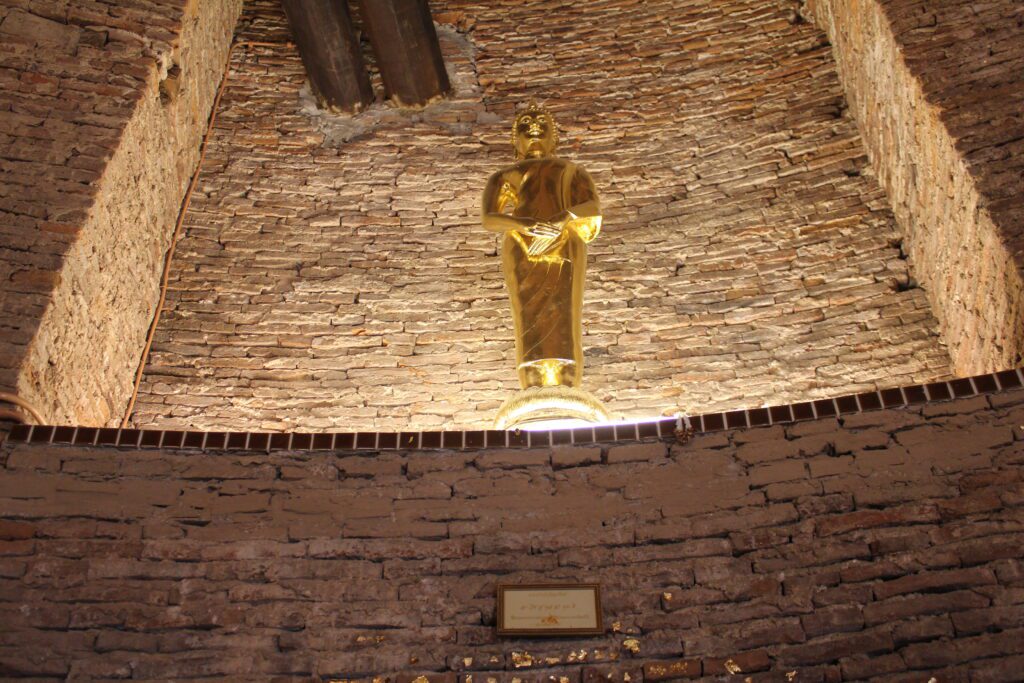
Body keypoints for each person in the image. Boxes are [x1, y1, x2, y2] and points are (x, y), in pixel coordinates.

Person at [481, 101, 603, 398]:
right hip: (523, 246)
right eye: (525, 122)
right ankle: (532, 382)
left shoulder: (571, 171)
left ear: (554, 137)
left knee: (564, 311)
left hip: (564, 244)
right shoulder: (504, 175)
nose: (533, 126)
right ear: (515, 139)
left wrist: (562, 219)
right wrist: (525, 225)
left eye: (540, 122)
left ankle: (567, 381)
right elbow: (489, 218)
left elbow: (591, 207)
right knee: (528, 315)